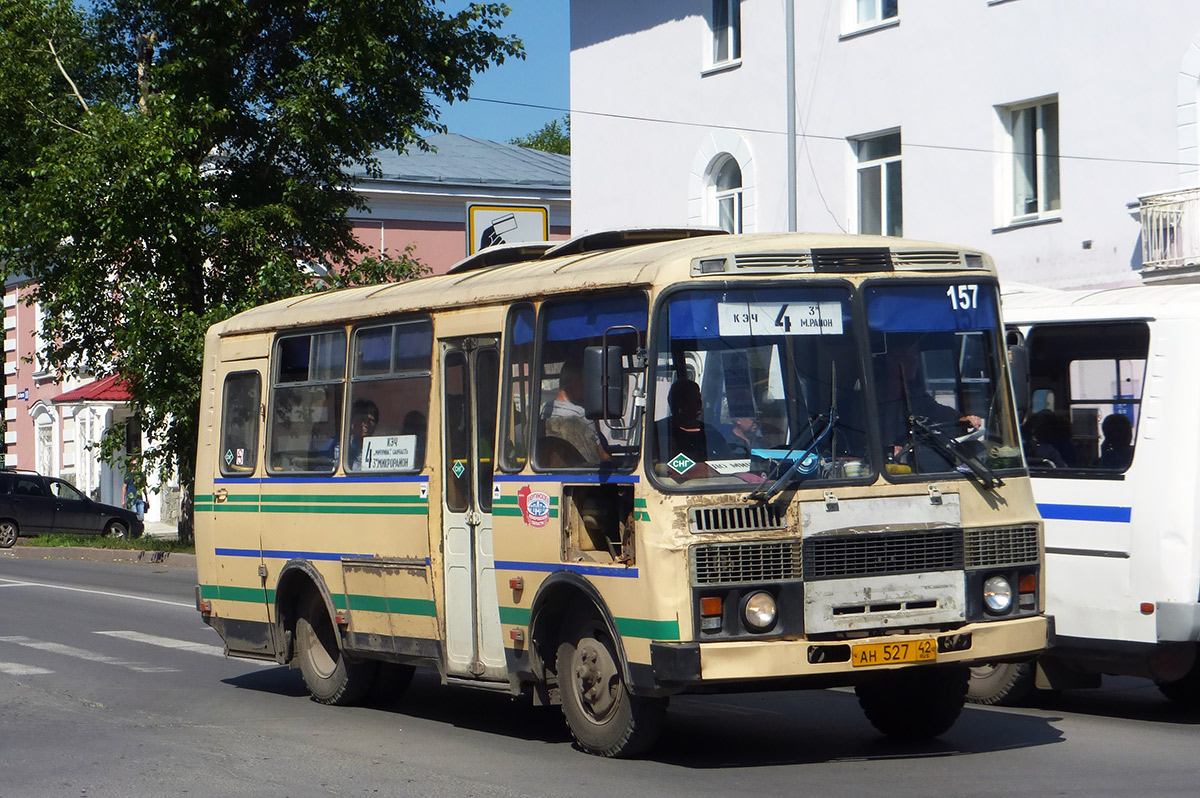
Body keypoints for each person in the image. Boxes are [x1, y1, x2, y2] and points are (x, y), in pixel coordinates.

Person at [541, 360, 609, 465]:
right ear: (572, 381)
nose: (588, 386)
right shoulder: (581, 414)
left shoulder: (545, 411)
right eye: (585, 380)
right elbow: (602, 455)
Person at [663, 379, 732, 464]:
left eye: (699, 398)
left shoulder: (710, 432)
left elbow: (727, 460)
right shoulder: (661, 431)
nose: (699, 403)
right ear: (678, 403)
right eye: (692, 399)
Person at [347, 399, 379, 470]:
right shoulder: (342, 448)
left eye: (371, 420)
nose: (366, 424)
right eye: (362, 420)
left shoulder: (379, 449)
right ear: (352, 423)